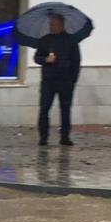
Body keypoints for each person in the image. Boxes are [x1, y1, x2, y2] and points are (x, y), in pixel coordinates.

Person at [34, 14, 81, 146]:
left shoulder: (71, 41)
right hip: (48, 81)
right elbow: (37, 58)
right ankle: (43, 137)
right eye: (50, 24)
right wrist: (45, 60)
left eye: (53, 24)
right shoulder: (45, 40)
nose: (51, 27)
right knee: (44, 109)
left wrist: (73, 80)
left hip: (65, 81)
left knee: (65, 109)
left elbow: (76, 62)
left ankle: (65, 136)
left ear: (61, 24)